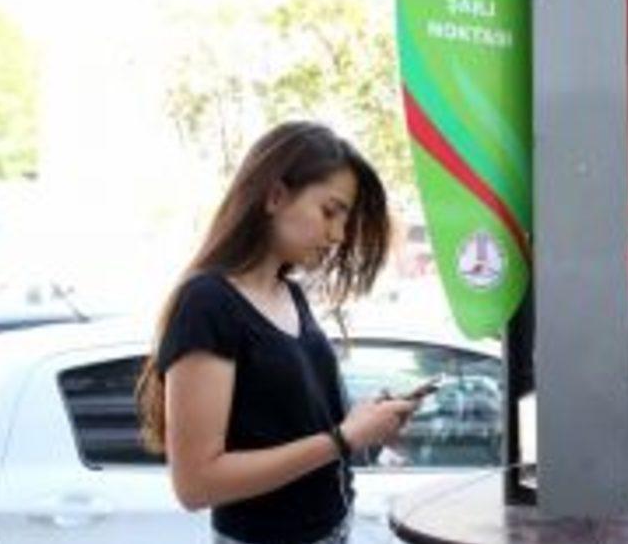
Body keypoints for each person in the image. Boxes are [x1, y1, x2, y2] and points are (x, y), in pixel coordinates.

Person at [135, 121, 418, 544]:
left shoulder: (290, 294)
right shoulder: (208, 302)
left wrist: (365, 422)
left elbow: (294, 426)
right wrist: (343, 438)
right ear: (275, 196)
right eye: (330, 212)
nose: (338, 236)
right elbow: (196, 484)